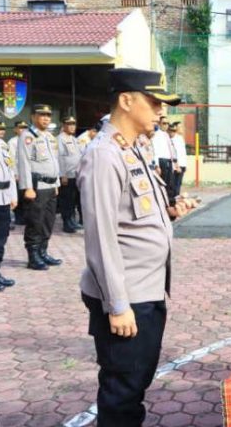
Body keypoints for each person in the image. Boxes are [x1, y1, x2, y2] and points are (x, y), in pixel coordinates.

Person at [78, 68, 196, 426]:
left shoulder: (133, 150)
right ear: (127, 101)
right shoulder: (104, 155)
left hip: (146, 289)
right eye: (154, 102)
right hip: (126, 294)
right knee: (122, 391)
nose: (161, 111)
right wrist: (117, 305)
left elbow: (133, 215)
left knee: (135, 381)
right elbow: (101, 238)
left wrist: (171, 211)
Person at [17, 104, 62, 270]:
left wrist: (56, 183)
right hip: (37, 187)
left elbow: (55, 162)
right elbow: (24, 163)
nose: (46, 118)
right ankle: (33, 256)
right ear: (33, 117)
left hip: (51, 186)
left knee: (48, 221)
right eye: (42, 115)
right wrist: (27, 187)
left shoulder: (50, 136)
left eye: (48, 115)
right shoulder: (28, 136)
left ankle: (43, 251)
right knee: (35, 222)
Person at [0, 114, 17, 292]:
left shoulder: (2, 144)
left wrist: (13, 195)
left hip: (3, 197)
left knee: (0, 239)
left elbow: (10, 171)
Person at [58, 116, 83, 233]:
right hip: (67, 175)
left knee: (73, 200)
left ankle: (72, 221)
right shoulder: (60, 139)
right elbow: (60, 158)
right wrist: (62, 174)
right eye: (69, 124)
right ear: (63, 125)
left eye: (74, 124)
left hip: (75, 174)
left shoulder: (74, 139)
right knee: (66, 200)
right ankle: (67, 223)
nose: (72, 126)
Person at [151, 114, 179, 200]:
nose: (166, 125)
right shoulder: (156, 135)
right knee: (162, 182)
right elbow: (154, 150)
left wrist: (174, 163)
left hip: (169, 161)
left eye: (167, 123)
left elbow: (171, 150)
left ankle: (168, 200)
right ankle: (161, 200)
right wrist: (156, 165)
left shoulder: (166, 135)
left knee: (169, 182)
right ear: (159, 124)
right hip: (161, 161)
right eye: (164, 123)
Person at [8, 121, 28, 225]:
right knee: (19, 196)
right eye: (20, 127)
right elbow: (11, 159)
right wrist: (15, 173)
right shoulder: (12, 141)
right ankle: (18, 217)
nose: (23, 129)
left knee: (26, 196)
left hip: (28, 173)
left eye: (25, 127)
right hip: (18, 173)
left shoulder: (29, 140)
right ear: (15, 129)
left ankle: (25, 216)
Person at [168, 122, 187, 197]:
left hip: (182, 164)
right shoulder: (171, 139)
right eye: (179, 127)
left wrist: (185, 165)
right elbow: (174, 153)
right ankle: (173, 201)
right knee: (173, 185)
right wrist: (177, 165)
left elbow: (183, 153)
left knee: (178, 184)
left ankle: (176, 199)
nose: (181, 129)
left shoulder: (180, 138)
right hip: (176, 165)